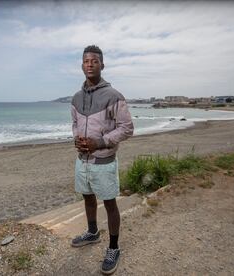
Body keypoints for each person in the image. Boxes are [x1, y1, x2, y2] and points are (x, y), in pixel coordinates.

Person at [70, 45, 134, 275]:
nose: (89, 64)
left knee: (109, 203)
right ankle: (93, 232)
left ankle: (114, 248)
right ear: (82, 65)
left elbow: (127, 128)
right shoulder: (76, 98)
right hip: (82, 160)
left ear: (102, 65)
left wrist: (101, 142)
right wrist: (77, 139)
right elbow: (76, 124)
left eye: (94, 61)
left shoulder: (114, 96)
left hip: (104, 161)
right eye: (86, 61)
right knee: (87, 197)